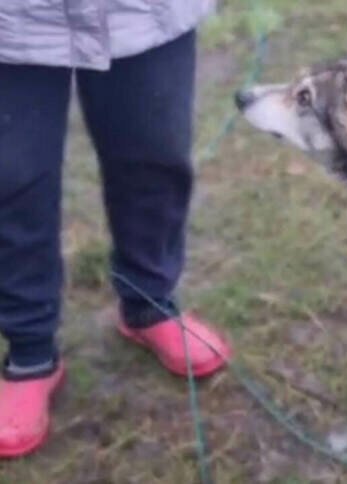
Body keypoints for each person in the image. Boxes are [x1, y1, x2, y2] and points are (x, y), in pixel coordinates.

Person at [0, 1, 232, 457]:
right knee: (13, 179)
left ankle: (150, 303)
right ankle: (31, 352)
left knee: (155, 154)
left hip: (144, 12)